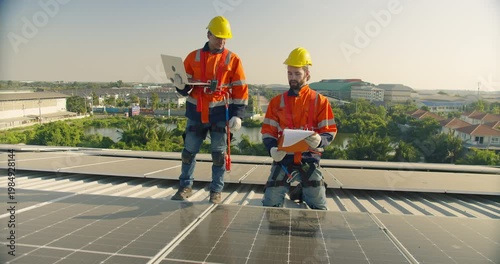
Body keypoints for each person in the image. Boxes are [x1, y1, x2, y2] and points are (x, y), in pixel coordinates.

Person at [171, 16, 248, 204]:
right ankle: (185, 187)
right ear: (208, 34)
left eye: (224, 38)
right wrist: (180, 86)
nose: (221, 41)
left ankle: (216, 191)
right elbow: (184, 88)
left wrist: (238, 115)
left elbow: (240, 88)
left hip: (220, 114)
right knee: (188, 152)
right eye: (217, 37)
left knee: (219, 155)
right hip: (196, 112)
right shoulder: (193, 57)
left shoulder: (233, 59)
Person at [261, 47, 337, 210]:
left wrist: (320, 141)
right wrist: (272, 149)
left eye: (297, 74)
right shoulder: (276, 102)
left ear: (307, 75)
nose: (292, 78)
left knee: (318, 207)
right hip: (283, 158)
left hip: (308, 159)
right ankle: (296, 189)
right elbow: (268, 131)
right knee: (269, 204)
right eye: (290, 73)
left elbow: (329, 130)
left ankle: (301, 190)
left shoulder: (320, 102)